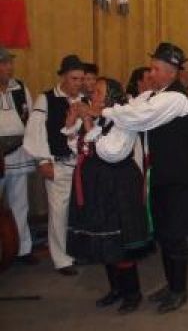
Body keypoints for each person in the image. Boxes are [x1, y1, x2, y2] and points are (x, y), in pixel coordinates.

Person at [100, 42, 188, 313]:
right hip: (163, 176)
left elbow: (139, 117)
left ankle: (178, 290)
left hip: (180, 178)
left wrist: (103, 111)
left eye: (156, 69)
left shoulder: (176, 98)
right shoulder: (157, 95)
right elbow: (135, 107)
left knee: (175, 235)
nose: (151, 73)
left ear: (171, 72)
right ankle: (172, 285)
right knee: (165, 234)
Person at [65, 78, 148, 313]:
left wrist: (87, 121)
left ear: (111, 96)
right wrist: (73, 123)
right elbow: (80, 148)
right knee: (104, 241)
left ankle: (132, 294)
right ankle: (116, 289)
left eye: (99, 92)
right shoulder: (100, 119)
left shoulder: (123, 121)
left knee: (119, 243)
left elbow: (112, 153)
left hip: (118, 187)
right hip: (99, 187)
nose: (93, 94)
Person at [24, 54, 86, 275]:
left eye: (81, 79)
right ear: (63, 77)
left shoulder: (84, 100)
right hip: (58, 165)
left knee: (79, 211)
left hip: (81, 166)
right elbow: (35, 132)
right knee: (59, 213)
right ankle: (62, 259)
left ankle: (77, 251)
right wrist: (43, 160)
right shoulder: (46, 99)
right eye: (74, 78)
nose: (78, 83)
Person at [0, 47, 37, 264]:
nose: (9, 67)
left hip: (18, 151)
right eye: (4, 63)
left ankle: (23, 248)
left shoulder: (20, 88)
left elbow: (30, 118)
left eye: (9, 63)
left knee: (20, 203)